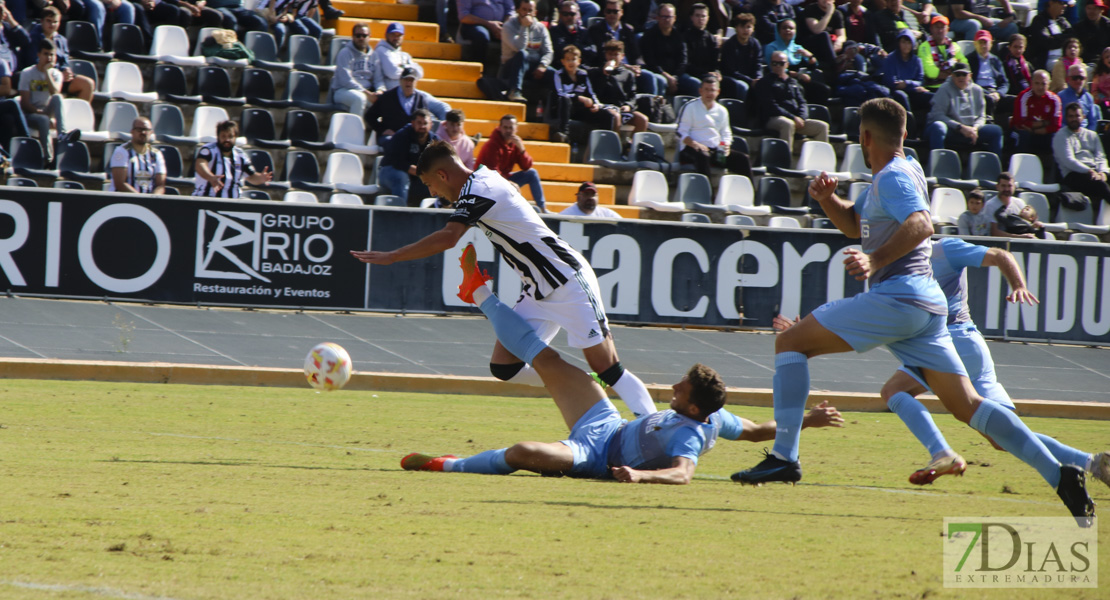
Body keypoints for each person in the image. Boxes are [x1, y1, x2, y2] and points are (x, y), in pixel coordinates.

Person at [731, 97, 1095, 525]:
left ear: (865, 138)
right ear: (903, 136)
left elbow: (922, 223)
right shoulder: (904, 172)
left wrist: (874, 261)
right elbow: (856, 225)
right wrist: (828, 201)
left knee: (790, 342)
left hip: (898, 297)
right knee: (970, 406)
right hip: (926, 306)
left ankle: (784, 457)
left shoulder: (892, 179)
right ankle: (1060, 474)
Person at [402, 246, 846, 481]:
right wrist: (807, 421)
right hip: (605, 423)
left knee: (521, 453)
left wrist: (636, 475)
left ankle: (446, 464)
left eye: (681, 390)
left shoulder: (691, 435)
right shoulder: (715, 416)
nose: (673, 388)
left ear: (693, 408)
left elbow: (682, 476)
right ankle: (478, 290)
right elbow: (756, 431)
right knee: (544, 356)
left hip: (595, 455)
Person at [351, 141, 659, 419]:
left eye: (431, 184)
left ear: (443, 175)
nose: (433, 193)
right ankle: (584, 384)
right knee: (505, 367)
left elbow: (448, 238)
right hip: (538, 289)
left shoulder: (480, 188)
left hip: (568, 281)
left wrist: (393, 255)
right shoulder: (485, 179)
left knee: (608, 366)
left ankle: (654, 429)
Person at [773, 238, 1109, 493]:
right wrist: (810, 334)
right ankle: (1093, 463)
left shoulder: (944, 248)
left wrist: (1018, 284)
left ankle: (942, 452)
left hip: (954, 341)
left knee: (893, 391)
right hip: (963, 343)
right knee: (999, 435)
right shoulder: (897, 260)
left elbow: (1000, 254)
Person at [677, 75, 755, 177]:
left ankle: (751, 192)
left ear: (718, 92)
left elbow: (726, 132)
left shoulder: (722, 110)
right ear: (700, 91)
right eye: (706, 90)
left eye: (712, 90)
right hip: (692, 149)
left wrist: (725, 146)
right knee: (703, 156)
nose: (709, 93)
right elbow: (680, 132)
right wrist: (695, 144)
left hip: (715, 149)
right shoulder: (690, 107)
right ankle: (708, 192)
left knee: (742, 159)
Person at [754, 50, 830, 154]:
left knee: (822, 127)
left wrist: (802, 118)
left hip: (796, 119)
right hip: (774, 118)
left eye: (781, 63)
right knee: (788, 124)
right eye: (774, 63)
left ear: (787, 65)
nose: (777, 66)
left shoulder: (793, 82)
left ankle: (821, 161)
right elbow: (771, 106)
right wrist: (793, 118)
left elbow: (802, 102)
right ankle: (785, 162)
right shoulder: (765, 82)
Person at [476, 114, 547, 212]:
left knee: (532, 173)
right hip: (486, 184)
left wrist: (522, 150)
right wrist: (509, 184)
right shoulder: (492, 145)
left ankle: (543, 208)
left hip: (503, 179)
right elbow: (493, 174)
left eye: (511, 127)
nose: (508, 130)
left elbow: (527, 166)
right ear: (500, 128)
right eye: (505, 127)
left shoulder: (515, 143)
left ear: (516, 128)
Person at [550, 45, 618, 143]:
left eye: (573, 59)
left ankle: (604, 142)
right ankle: (563, 134)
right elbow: (560, 94)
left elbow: (591, 93)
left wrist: (596, 105)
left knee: (607, 115)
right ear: (563, 62)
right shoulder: (558, 74)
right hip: (563, 108)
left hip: (580, 109)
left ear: (579, 61)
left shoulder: (583, 74)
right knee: (564, 99)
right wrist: (579, 98)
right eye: (568, 59)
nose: (571, 62)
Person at [25, 7, 94, 103]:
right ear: (42, 21)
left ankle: (77, 115)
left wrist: (66, 71)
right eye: (49, 21)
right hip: (38, 80)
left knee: (87, 84)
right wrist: (55, 74)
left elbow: (65, 62)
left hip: (59, 78)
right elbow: (33, 63)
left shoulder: (62, 40)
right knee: (57, 94)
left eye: (55, 22)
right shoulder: (33, 38)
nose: (52, 25)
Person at [588, 40, 649, 143]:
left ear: (622, 56)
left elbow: (632, 95)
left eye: (616, 55)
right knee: (615, 117)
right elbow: (596, 92)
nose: (612, 57)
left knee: (642, 119)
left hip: (621, 108)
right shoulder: (596, 73)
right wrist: (604, 75)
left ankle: (630, 149)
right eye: (610, 54)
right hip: (604, 108)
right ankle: (615, 148)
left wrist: (628, 105)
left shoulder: (628, 74)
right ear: (605, 55)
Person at [363, 67, 451, 139]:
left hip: (413, 138)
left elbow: (426, 119)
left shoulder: (421, 99)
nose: (408, 82)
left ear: (416, 82)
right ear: (400, 80)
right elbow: (369, 116)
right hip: (391, 137)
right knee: (392, 143)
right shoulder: (387, 97)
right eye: (406, 79)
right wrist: (383, 130)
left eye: (411, 80)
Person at [17, 39, 67, 164]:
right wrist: (40, 113)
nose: (49, 58)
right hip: (31, 113)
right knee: (44, 119)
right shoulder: (27, 73)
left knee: (58, 98)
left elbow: (55, 92)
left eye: (52, 55)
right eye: (46, 54)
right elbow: (24, 103)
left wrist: (47, 73)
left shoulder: (57, 74)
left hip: (47, 111)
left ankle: (63, 135)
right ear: (38, 55)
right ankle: (48, 158)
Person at [193, 121, 273, 198]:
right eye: (223, 136)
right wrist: (211, 177)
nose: (227, 140)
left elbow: (251, 177)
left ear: (235, 137)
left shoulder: (241, 155)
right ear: (218, 137)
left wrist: (261, 178)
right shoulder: (208, 149)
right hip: (206, 199)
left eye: (230, 136)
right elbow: (200, 164)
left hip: (232, 203)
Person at [1054, 101, 1110, 210]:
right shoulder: (1061, 136)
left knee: (1101, 180)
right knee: (1100, 185)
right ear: (1066, 118)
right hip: (1073, 174)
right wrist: (1089, 171)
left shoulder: (1092, 135)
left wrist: (1103, 172)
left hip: (1095, 172)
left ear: (1083, 117)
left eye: (1077, 116)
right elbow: (1069, 161)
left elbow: (1101, 156)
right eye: (1071, 116)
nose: (1074, 119)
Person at [378, 108, 438, 204]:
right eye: (419, 123)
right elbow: (399, 163)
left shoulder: (434, 141)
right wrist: (422, 173)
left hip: (415, 177)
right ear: (413, 123)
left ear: (431, 125)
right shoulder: (402, 136)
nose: (422, 126)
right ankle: (400, 214)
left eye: (425, 123)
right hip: (389, 171)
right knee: (401, 177)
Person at [500, 0, 553, 103]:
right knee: (523, 54)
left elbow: (549, 51)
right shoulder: (508, 26)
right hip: (511, 66)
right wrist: (524, 26)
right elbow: (520, 47)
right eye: (524, 9)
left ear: (535, 12)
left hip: (532, 65)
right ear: (518, 10)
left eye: (530, 10)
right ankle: (514, 91)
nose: (527, 13)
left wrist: (543, 65)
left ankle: (556, 106)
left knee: (553, 73)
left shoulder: (541, 28)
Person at [330, 23, 379, 116]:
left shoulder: (374, 55)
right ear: (352, 37)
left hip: (367, 92)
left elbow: (378, 79)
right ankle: (354, 130)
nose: (361, 38)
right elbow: (346, 81)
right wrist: (366, 93)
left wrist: (380, 91)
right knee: (359, 99)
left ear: (369, 37)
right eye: (358, 35)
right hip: (343, 91)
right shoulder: (345, 53)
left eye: (364, 35)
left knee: (384, 103)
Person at [108, 117, 166, 195]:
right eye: (139, 129)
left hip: (149, 202)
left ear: (151, 132)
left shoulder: (156, 154)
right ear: (132, 132)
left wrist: (153, 199)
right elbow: (120, 183)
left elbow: (160, 185)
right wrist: (140, 199)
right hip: (124, 200)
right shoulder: (122, 151)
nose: (143, 132)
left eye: (146, 130)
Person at [640, 3, 688, 96]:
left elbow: (683, 60)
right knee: (661, 81)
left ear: (674, 18)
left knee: (695, 84)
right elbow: (650, 62)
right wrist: (666, 76)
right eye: (663, 17)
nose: (666, 20)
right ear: (657, 18)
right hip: (658, 73)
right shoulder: (649, 36)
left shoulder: (679, 36)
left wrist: (675, 77)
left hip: (676, 76)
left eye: (669, 17)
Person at [1011, 70, 1062, 154]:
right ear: (1031, 83)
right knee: (1023, 134)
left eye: (1043, 84)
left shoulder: (1055, 99)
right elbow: (1020, 122)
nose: (1040, 87)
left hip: (1044, 133)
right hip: (1026, 133)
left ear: (1049, 84)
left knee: (1057, 137)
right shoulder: (1023, 96)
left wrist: (1034, 130)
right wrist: (1044, 123)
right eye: (1037, 83)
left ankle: (1057, 167)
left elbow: (1056, 126)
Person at [883, 29, 932, 111]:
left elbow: (920, 80)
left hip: (912, 90)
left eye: (909, 42)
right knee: (902, 96)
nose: (906, 45)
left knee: (930, 96)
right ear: (899, 43)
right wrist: (911, 87)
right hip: (895, 92)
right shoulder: (890, 58)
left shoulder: (917, 60)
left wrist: (906, 83)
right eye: (903, 42)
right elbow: (891, 82)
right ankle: (908, 122)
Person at [719, 13, 763, 101]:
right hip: (731, 78)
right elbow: (731, 71)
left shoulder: (755, 44)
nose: (745, 30)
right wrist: (750, 81)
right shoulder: (730, 45)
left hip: (751, 78)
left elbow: (758, 64)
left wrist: (758, 78)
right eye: (742, 27)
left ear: (753, 28)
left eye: (748, 27)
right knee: (742, 86)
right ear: (736, 28)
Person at [458, 0, 515, 68]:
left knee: (512, 35)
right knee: (481, 36)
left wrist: (504, 27)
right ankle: (478, 72)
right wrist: (489, 24)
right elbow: (464, 16)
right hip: (474, 24)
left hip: (500, 25)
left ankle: (508, 73)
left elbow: (510, 11)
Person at [373, 23, 424, 95]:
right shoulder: (381, 50)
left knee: (437, 104)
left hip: (405, 92)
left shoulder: (404, 55)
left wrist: (403, 66)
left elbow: (420, 73)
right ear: (386, 35)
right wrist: (409, 69)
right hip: (390, 93)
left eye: (399, 35)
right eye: (393, 34)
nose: (396, 38)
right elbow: (393, 72)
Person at [918, 15, 966, 90]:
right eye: (937, 27)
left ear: (947, 29)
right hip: (935, 88)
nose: (940, 30)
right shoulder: (924, 47)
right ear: (931, 29)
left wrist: (941, 71)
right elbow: (930, 72)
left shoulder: (954, 46)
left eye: (942, 27)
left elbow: (964, 66)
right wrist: (954, 74)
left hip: (954, 86)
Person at [680, 3, 720, 96]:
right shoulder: (685, 37)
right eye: (697, 15)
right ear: (691, 17)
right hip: (689, 74)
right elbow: (685, 64)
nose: (700, 19)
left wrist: (717, 73)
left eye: (703, 16)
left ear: (708, 18)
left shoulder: (711, 39)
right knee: (697, 84)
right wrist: (706, 73)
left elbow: (715, 64)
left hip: (708, 75)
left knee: (732, 84)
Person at [965, 30, 1007, 116]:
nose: (983, 45)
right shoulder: (969, 59)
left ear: (991, 44)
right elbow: (968, 82)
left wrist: (998, 93)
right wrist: (990, 94)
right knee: (989, 99)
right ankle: (989, 122)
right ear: (975, 44)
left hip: (995, 91)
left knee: (1015, 100)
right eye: (980, 42)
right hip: (978, 91)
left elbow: (1005, 82)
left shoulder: (995, 60)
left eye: (986, 42)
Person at [1024, 0, 1071, 71]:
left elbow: (1073, 37)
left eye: (1065, 4)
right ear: (1051, 3)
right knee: (1065, 68)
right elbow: (1047, 42)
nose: (1064, 6)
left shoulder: (1062, 21)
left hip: (1065, 59)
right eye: (1062, 3)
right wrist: (1064, 39)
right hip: (1048, 61)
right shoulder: (1039, 20)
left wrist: (1055, 38)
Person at [984, 172, 1035, 238]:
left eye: (1009, 186)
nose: (1007, 189)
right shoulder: (990, 205)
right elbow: (994, 232)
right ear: (997, 187)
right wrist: (1020, 237)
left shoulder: (1019, 203)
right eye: (1003, 186)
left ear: (1014, 187)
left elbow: (1027, 224)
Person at [946, 0, 1018, 42]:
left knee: (1011, 27)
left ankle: (1007, 60)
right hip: (959, 21)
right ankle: (973, 57)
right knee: (974, 25)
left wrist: (1010, 15)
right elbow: (958, 13)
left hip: (985, 20)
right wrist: (980, 18)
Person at [800, 0, 845, 66]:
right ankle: (835, 64)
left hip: (831, 44)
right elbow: (817, 30)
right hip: (813, 42)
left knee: (851, 43)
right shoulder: (811, 9)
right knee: (824, 35)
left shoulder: (837, 13)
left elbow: (842, 35)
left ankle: (850, 63)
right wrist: (829, 13)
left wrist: (839, 42)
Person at [550, 0, 595, 65]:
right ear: (560, 15)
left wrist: (574, 46)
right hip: (561, 67)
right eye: (565, 14)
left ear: (577, 15)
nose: (569, 17)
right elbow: (558, 49)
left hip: (582, 67)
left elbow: (592, 51)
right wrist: (579, 48)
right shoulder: (554, 31)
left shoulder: (583, 31)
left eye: (572, 14)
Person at [1057, 63, 1099, 131]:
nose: (1078, 81)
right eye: (1075, 78)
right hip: (1066, 134)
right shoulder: (1060, 97)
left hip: (1085, 135)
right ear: (1068, 79)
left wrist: (1087, 135)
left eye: (1081, 78)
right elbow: (1059, 121)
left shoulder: (1088, 97)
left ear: (1085, 79)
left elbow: (1093, 122)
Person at [1002, 32, 1032, 97]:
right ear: (1009, 47)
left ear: (1024, 48)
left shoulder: (1027, 65)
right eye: (1015, 47)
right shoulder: (1005, 64)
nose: (1018, 50)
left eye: (1020, 47)